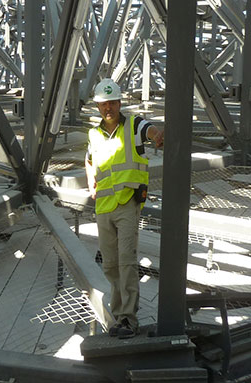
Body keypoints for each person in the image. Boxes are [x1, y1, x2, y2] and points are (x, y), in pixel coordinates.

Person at [85, 77, 163, 339]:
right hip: (104, 206)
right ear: (98, 107)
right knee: (110, 265)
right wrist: (90, 185)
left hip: (128, 204)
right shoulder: (94, 134)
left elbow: (150, 131)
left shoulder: (133, 125)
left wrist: (158, 136)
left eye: (112, 103)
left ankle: (129, 318)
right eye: (103, 104)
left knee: (126, 261)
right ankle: (120, 315)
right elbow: (88, 159)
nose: (108, 108)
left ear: (119, 103)